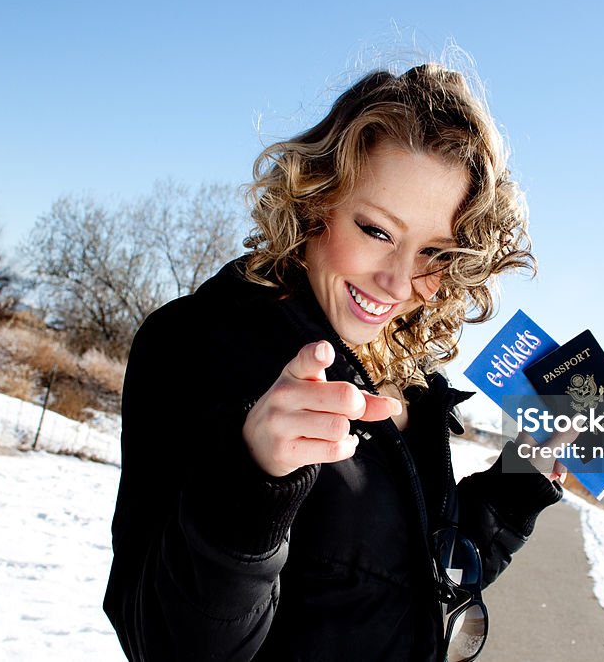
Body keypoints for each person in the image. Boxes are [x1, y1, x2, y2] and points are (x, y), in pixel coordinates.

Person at [103, 63, 564, 662]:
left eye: (434, 251)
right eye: (376, 230)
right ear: (316, 197)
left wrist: (519, 484)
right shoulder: (195, 343)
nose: (399, 280)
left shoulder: (412, 383)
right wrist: (253, 487)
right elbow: (163, 644)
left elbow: (416, 580)